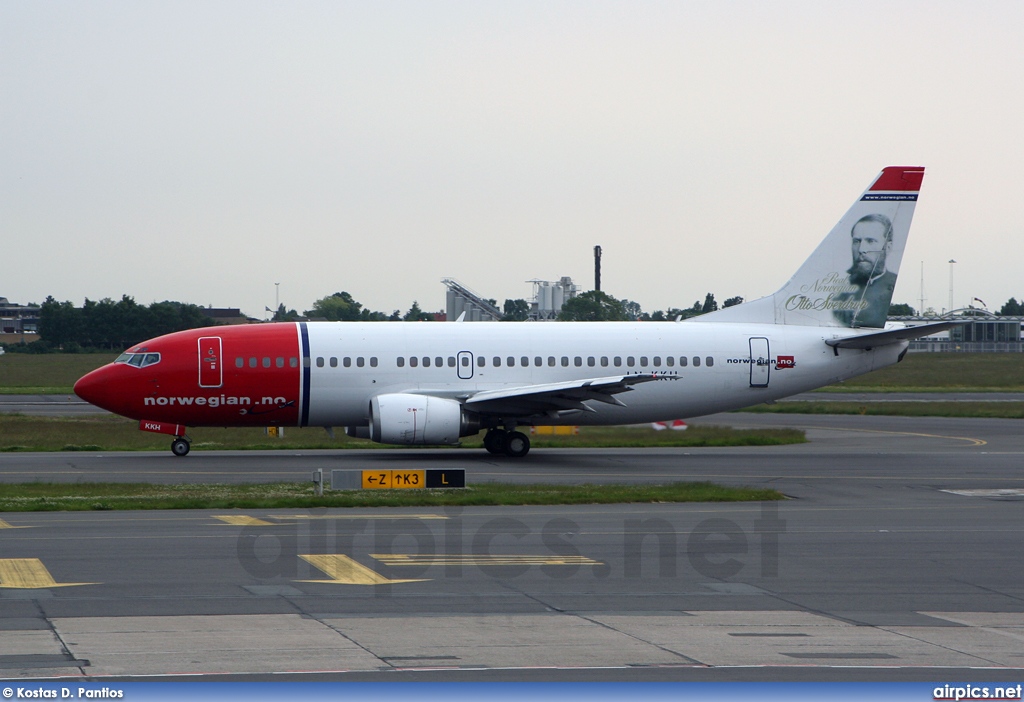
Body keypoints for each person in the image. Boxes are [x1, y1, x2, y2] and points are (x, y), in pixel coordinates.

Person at [832, 213, 897, 327]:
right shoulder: (839, 291)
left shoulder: (892, 283)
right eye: (857, 241)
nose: (861, 249)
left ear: (888, 247)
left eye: (870, 241)